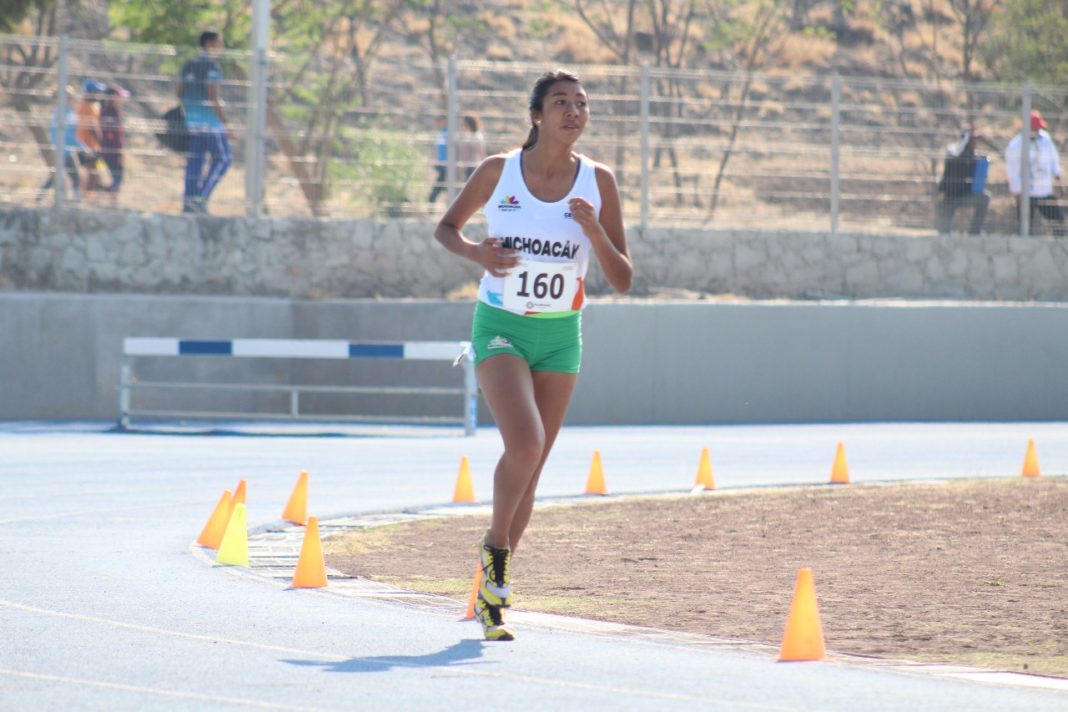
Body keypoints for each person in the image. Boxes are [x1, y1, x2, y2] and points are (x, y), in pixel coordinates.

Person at [434, 69, 633, 641]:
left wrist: (595, 234)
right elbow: (445, 228)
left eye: (582, 103)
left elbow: (623, 277)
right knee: (525, 444)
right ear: (537, 116)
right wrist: (478, 253)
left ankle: (490, 592)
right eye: (561, 103)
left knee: (532, 469)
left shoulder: (600, 181)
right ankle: (494, 559)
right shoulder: (498, 172)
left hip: (560, 334)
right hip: (500, 327)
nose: (574, 112)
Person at [178, 30, 232, 214]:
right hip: (210, 123)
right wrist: (227, 124)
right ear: (209, 44)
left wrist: (190, 110)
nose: (221, 48)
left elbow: (179, 91)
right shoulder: (213, 68)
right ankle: (201, 198)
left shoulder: (188, 65)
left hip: (192, 122)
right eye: (219, 43)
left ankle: (188, 202)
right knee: (224, 158)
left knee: (195, 162)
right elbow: (212, 97)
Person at [1005, 110, 1064, 237]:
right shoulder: (1015, 146)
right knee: (1025, 229)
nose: (1037, 131)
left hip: (1044, 191)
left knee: (1059, 223)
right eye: (1034, 128)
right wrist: (1018, 194)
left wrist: (1059, 182)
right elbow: (1013, 173)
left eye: (1038, 128)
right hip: (1026, 194)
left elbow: (1054, 161)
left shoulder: (1046, 140)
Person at [936, 126, 990, 235]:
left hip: (965, 196)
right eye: (973, 140)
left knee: (984, 198)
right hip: (949, 197)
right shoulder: (953, 152)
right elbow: (956, 156)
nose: (975, 143)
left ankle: (974, 232)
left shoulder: (973, 157)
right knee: (943, 233)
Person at [37, 87, 84, 202]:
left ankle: (41, 194)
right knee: (74, 176)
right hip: (64, 151)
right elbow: (69, 136)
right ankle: (77, 200)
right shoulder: (66, 114)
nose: (71, 100)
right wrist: (83, 147)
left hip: (59, 149)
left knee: (57, 175)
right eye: (69, 98)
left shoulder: (58, 113)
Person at [75, 79, 107, 195]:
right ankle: (86, 196)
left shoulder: (89, 106)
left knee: (92, 173)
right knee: (90, 174)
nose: (98, 94)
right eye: (96, 92)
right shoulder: (88, 107)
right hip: (87, 147)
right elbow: (92, 127)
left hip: (89, 146)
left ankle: (88, 196)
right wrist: (102, 142)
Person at [99, 85, 129, 204]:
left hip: (109, 150)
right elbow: (113, 135)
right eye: (119, 97)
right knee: (118, 175)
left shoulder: (108, 110)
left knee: (117, 176)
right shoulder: (110, 111)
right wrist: (120, 151)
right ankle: (108, 194)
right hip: (112, 151)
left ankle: (109, 195)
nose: (121, 100)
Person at [427, 116, 448, 203]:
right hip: (441, 164)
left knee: (438, 189)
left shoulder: (447, 133)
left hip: (446, 165)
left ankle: (431, 206)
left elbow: (450, 150)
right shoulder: (442, 133)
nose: (437, 124)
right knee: (443, 187)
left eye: (439, 122)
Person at [459, 114, 486, 181]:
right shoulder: (468, 135)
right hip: (467, 167)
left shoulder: (476, 136)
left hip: (474, 167)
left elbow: (481, 152)